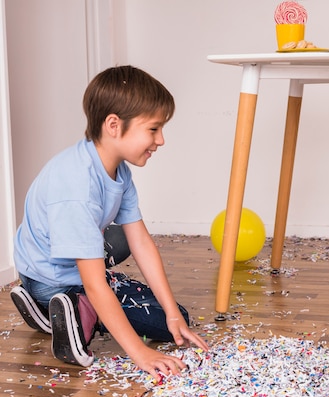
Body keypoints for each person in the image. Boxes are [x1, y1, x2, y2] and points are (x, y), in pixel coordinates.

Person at [10, 65, 209, 380]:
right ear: (114, 125)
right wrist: (140, 352)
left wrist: (172, 313)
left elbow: (139, 241)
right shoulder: (78, 187)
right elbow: (94, 281)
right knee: (161, 322)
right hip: (53, 276)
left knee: (175, 315)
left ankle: (52, 308)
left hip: (55, 258)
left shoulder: (117, 169)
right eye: (153, 129)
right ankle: (69, 310)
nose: (161, 140)